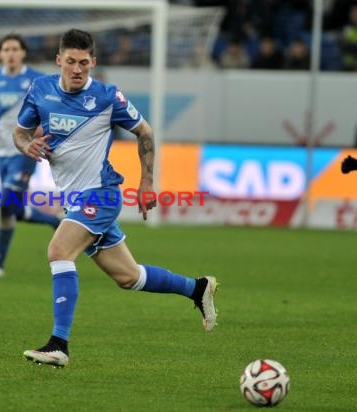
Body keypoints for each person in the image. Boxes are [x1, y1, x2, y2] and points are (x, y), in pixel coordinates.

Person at [14, 29, 218, 368]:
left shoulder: (108, 97)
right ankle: (197, 288)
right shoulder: (40, 90)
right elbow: (20, 133)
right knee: (129, 277)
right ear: (58, 61)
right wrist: (27, 146)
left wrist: (147, 182)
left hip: (102, 194)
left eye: (83, 63)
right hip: (73, 200)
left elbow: (145, 132)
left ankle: (58, 344)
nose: (77, 69)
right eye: (70, 62)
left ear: (93, 62)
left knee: (58, 251)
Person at [0, 33, 60, 279]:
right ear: (0, 54)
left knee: (6, 203)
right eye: (6, 49)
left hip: (25, 149)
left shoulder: (36, 80)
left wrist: (46, 128)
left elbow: (52, 107)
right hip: (1, 149)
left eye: (15, 49)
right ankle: (52, 221)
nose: (10, 53)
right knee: (10, 209)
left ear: (23, 53)